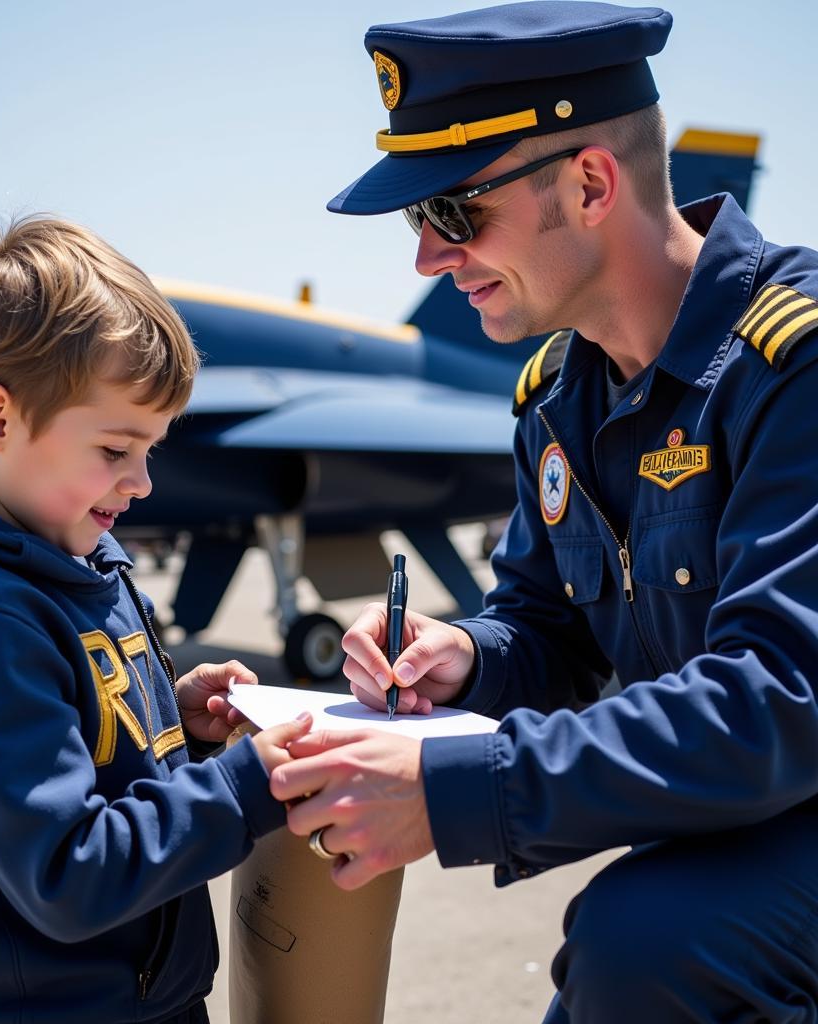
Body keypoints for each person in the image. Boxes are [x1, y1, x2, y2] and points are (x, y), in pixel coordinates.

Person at [269, 3, 818, 1021]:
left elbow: (780, 700)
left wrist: (451, 791)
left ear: (590, 184)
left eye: (453, 215)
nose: (428, 260)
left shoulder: (795, 366)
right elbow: (548, 629)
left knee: (649, 940)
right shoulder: (557, 394)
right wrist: (467, 656)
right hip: (761, 812)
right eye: (416, 221)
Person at [0, 215, 312, 1024]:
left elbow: (88, 753)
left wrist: (178, 724)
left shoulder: (73, 554)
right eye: (113, 450)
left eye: (150, 451)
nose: (140, 483)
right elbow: (69, 870)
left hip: (142, 1000)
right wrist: (247, 784)